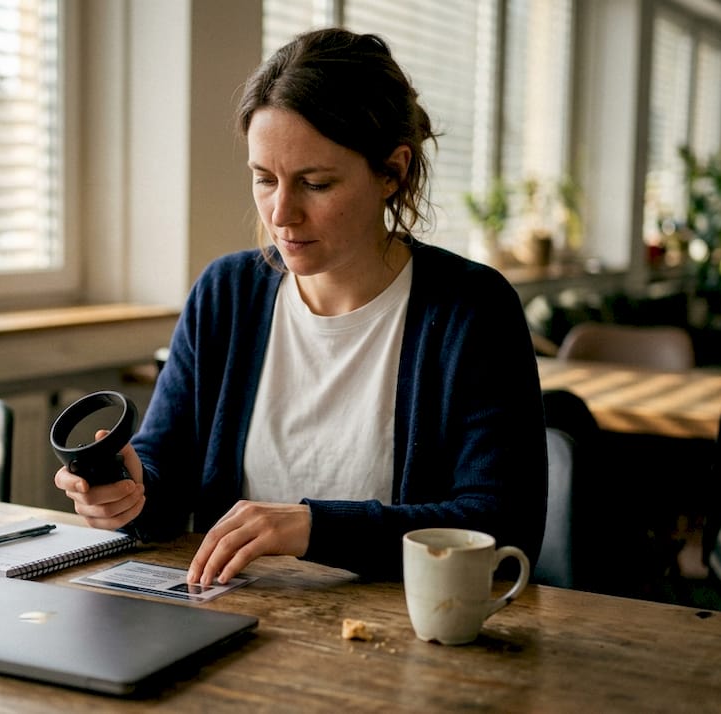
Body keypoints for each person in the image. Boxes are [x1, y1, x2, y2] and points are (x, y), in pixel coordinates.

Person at [54, 28, 546, 587]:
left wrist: (314, 527)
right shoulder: (226, 294)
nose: (281, 213)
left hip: (404, 637)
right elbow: (166, 480)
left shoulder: (472, 310)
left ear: (393, 171)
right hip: (232, 618)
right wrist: (128, 493)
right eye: (264, 179)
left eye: (315, 183)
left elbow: (504, 528)